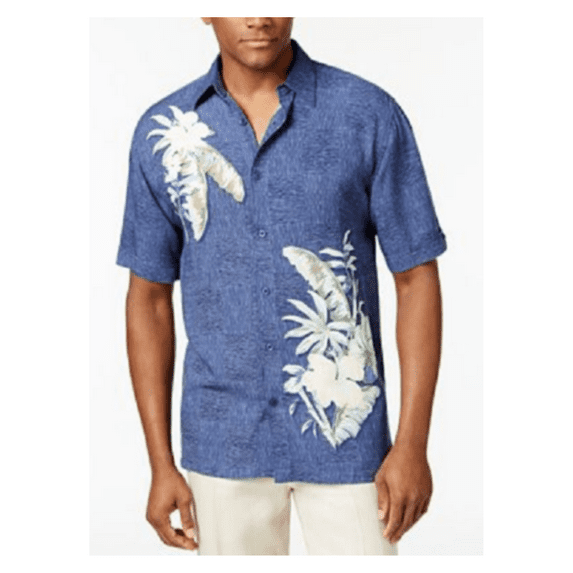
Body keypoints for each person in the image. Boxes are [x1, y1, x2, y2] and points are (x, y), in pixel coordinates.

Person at [116, 17, 447, 555]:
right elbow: (149, 298)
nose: (259, 17)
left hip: (347, 433)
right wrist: (160, 462)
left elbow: (415, 279)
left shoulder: (366, 113)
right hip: (223, 440)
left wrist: (412, 443)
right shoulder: (166, 132)